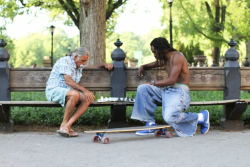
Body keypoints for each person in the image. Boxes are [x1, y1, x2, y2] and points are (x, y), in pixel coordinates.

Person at [131, 37, 209, 137]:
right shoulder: (166, 58)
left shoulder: (177, 57)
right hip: (167, 91)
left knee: (169, 117)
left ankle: (201, 117)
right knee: (143, 88)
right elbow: (157, 63)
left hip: (179, 92)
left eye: (155, 52)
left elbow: (172, 80)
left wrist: (152, 83)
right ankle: (150, 124)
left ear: (163, 49)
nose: (154, 55)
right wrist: (144, 66)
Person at [45, 46, 113, 137]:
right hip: (54, 90)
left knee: (88, 98)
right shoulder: (65, 61)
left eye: (85, 61)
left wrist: (103, 65)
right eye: (83, 60)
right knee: (75, 94)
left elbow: (91, 67)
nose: (83, 63)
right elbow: (68, 81)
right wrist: (85, 90)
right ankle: (63, 125)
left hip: (68, 92)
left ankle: (67, 126)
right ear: (75, 56)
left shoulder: (78, 64)